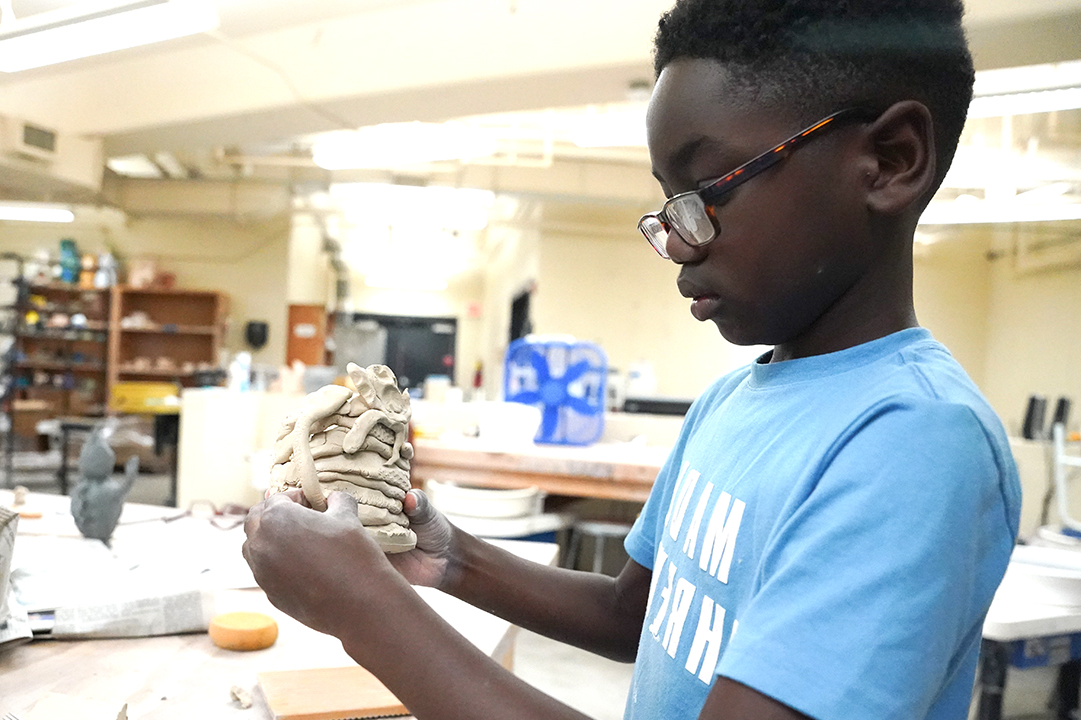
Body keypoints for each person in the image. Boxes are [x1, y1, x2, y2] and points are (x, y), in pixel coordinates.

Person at [241, 1, 1022, 718]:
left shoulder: (915, 443)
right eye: (670, 203)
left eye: (708, 190)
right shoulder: (732, 401)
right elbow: (633, 613)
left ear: (889, 160)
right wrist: (451, 560)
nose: (679, 240)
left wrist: (365, 610)